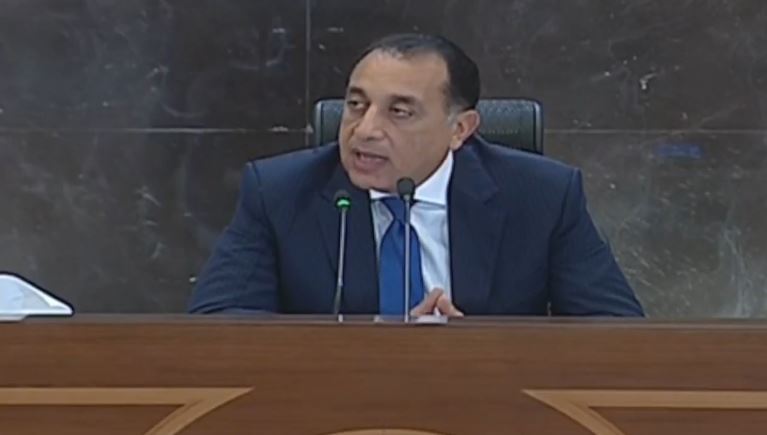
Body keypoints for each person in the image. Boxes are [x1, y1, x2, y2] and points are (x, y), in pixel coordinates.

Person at [189, 33, 644, 317]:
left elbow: (616, 334)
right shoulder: (280, 192)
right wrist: (370, 349)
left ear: (460, 129)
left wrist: (483, 353)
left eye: (399, 112)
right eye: (356, 105)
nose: (365, 130)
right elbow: (218, 326)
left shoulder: (542, 197)